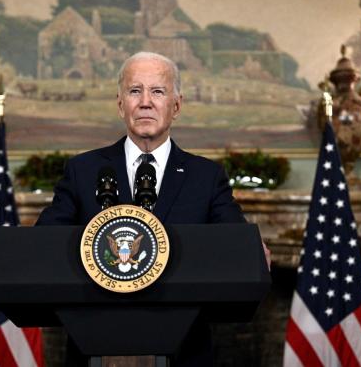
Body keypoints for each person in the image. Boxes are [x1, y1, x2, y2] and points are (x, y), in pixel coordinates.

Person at [36, 51, 270, 366]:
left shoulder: (206, 176)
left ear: (176, 105)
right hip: (96, 349)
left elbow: (236, 245)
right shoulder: (84, 170)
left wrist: (252, 252)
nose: (146, 101)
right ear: (121, 105)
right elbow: (42, 247)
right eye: (135, 91)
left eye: (157, 91)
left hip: (184, 354)